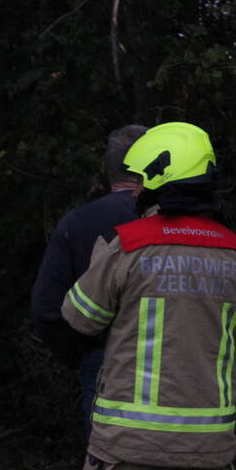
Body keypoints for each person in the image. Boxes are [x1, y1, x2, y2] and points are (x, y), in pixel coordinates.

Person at [61, 121, 236, 470]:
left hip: (128, 444)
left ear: (159, 180)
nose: (136, 190)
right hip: (207, 448)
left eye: (141, 180)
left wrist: (99, 263)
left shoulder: (129, 245)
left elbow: (79, 318)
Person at [31, 124, 148, 437]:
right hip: (179, 364)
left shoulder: (78, 222)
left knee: (108, 460)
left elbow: (46, 308)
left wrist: (81, 355)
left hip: (102, 361)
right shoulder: (175, 223)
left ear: (107, 168)